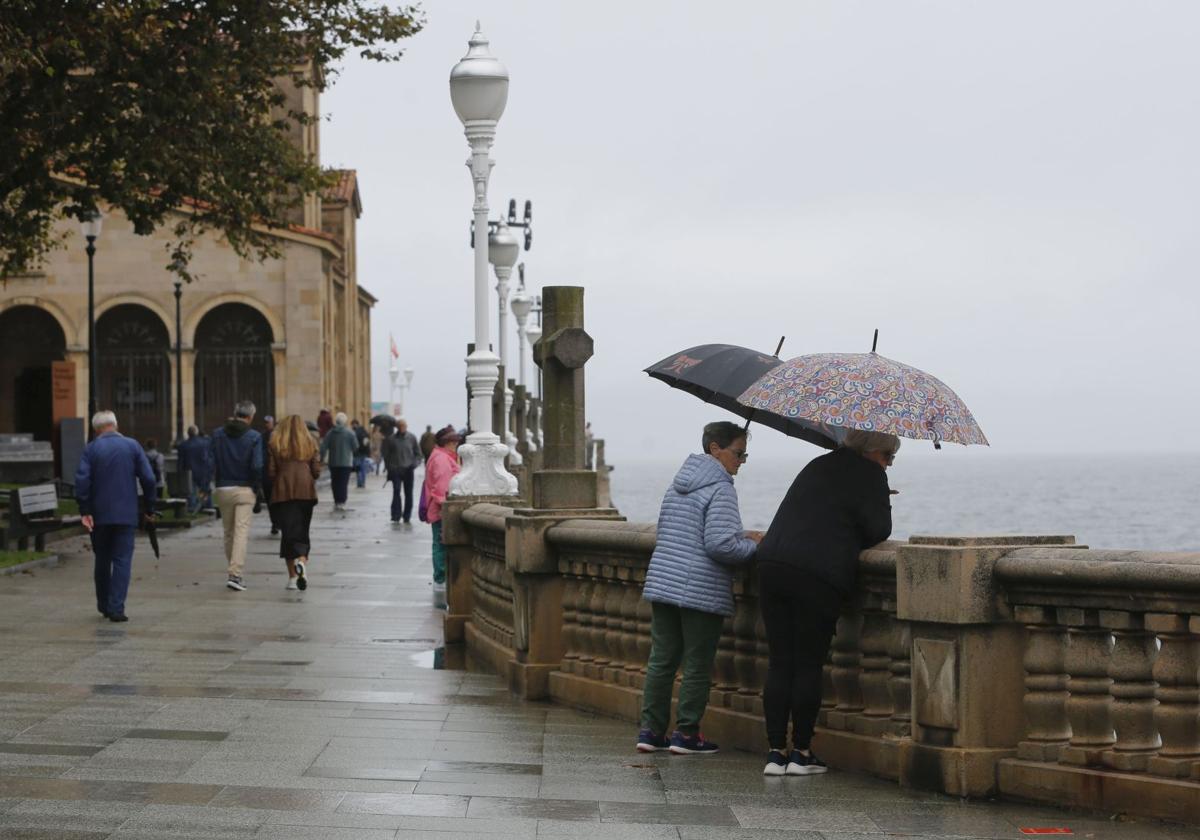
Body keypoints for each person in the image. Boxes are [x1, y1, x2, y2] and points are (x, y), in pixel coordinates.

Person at [755, 429, 896, 777]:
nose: (889, 463)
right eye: (888, 457)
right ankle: (801, 753)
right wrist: (880, 498)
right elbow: (879, 530)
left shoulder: (818, 463)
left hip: (772, 565)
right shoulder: (872, 475)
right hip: (817, 574)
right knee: (807, 664)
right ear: (874, 452)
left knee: (780, 662)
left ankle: (775, 753)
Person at [636, 421, 761, 756]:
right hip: (701, 588)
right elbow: (721, 545)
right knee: (696, 663)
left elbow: (675, 532)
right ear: (715, 449)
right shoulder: (720, 488)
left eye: (744, 454)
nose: (741, 461)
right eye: (737, 453)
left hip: (665, 581)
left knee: (661, 660)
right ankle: (687, 733)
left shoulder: (678, 485)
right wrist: (755, 547)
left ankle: (650, 731)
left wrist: (740, 535)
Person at [74, 410, 158, 622]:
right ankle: (117, 608)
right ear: (116, 425)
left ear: (96, 429)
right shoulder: (132, 446)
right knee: (122, 560)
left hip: (99, 515)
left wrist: (84, 510)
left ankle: (103, 604)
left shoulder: (91, 449)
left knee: (102, 559)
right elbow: (148, 479)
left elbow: (82, 482)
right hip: (126, 514)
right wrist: (149, 507)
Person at [211, 400, 263, 591]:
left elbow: (210, 460)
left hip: (224, 488)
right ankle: (235, 573)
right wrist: (256, 487)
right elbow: (257, 465)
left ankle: (232, 569)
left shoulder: (217, 434)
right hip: (245, 489)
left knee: (228, 531)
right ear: (250, 417)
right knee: (241, 532)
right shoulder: (254, 437)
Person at [267, 414, 321, 591]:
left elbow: (271, 472)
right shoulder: (311, 443)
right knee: (303, 530)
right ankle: (302, 561)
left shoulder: (275, 443)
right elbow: (316, 471)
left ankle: (292, 578)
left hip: (284, 492)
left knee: (288, 534)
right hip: (305, 492)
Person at [423, 425, 461, 588]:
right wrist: (445, 505)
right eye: (453, 442)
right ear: (446, 443)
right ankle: (440, 578)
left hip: (438, 508)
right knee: (440, 543)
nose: (456, 445)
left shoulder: (440, 456)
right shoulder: (442, 459)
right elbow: (441, 487)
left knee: (438, 542)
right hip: (441, 510)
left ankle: (440, 577)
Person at [382, 418, 422, 526]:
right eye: (399, 426)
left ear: (406, 426)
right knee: (396, 491)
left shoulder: (412, 438)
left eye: (403, 426)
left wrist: (415, 464)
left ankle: (407, 516)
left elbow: (418, 454)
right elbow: (386, 455)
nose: (401, 428)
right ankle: (396, 515)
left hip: (408, 469)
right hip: (396, 469)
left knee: (408, 494)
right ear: (397, 428)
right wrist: (389, 467)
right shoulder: (391, 439)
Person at [320, 412, 356, 511]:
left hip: (333, 462)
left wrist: (321, 458)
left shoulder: (330, 433)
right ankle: (342, 501)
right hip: (346, 463)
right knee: (343, 483)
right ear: (345, 422)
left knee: (335, 482)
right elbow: (355, 447)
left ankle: (337, 500)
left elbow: (323, 447)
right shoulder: (350, 433)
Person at [177, 426, 213, 513]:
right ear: (196, 432)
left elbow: (180, 461)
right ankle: (206, 506)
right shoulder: (205, 442)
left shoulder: (183, 445)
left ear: (188, 433)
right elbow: (210, 458)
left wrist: (180, 472)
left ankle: (193, 508)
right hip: (203, 471)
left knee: (191, 492)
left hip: (189, 472)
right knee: (204, 490)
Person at [261, 415, 279, 535]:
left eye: (268, 422)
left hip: (277, 474)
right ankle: (275, 523)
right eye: (265, 423)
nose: (267, 424)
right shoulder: (261, 436)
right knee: (270, 501)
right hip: (266, 473)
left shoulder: (279, 436)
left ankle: (277, 522)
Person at [351, 419, 371, 488]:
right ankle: (363, 483)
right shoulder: (364, 431)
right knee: (362, 468)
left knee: (358, 468)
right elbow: (367, 441)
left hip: (357, 452)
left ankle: (359, 483)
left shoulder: (355, 432)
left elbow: (353, 443)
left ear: (355, 424)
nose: (352, 426)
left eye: (352, 425)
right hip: (364, 452)